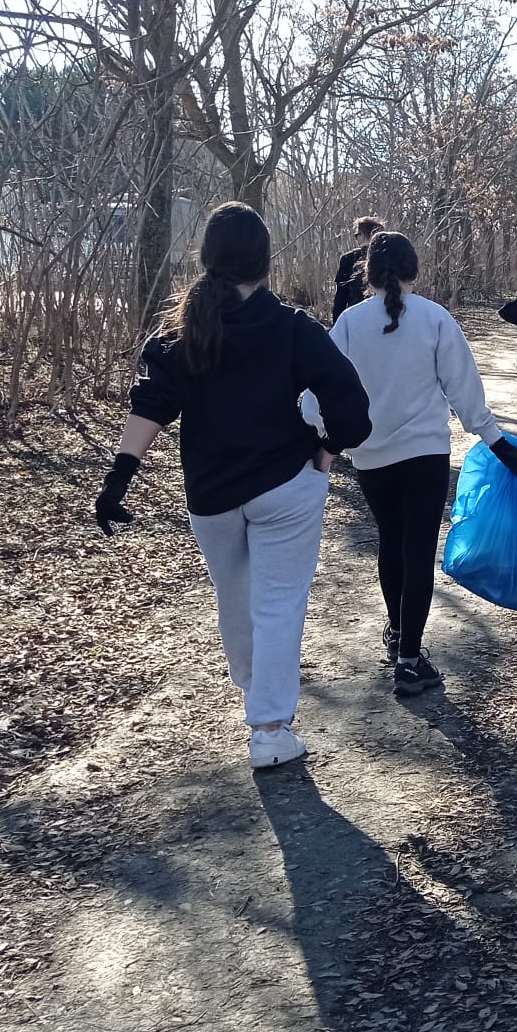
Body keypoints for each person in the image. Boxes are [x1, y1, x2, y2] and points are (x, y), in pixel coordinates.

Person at [94, 202, 372, 768]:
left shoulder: (180, 331)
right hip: (286, 484)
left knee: (237, 598)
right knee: (277, 604)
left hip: (210, 490)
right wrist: (327, 449)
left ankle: (257, 696)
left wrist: (119, 477)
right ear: (265, 264)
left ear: (208, 259)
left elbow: (152, 405)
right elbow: (352, 403)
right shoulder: (295, 328)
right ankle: (269, 729)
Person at [314, 231, 517, 698]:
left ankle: (397, 638)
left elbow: (319, 392)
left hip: (371, 457)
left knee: (390, 545)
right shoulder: (435, 319)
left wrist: (321, 440)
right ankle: (410, 660)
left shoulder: (350, 324)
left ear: (367, 273)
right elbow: (464, 391)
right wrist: (497, 442)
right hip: (426, 455)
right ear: (415, 271)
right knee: (417, 552)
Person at [332, 215, 384, 322]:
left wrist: (336, 326)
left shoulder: (348, 258)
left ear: (362, 235)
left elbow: (340, 298)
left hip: (355, 319)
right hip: (385, 319)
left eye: (356, 235)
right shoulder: (390, 257)